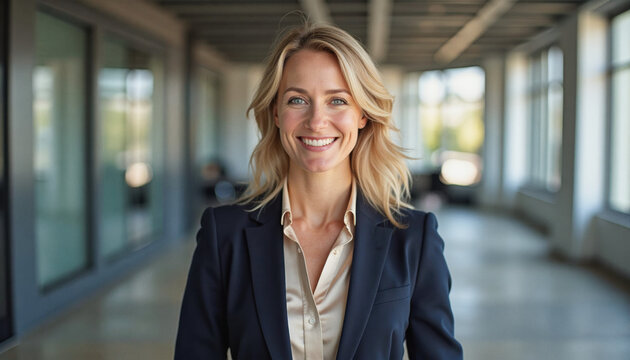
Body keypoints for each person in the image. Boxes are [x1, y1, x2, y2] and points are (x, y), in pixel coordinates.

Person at [174, 23, 463, 360]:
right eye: (297, 99)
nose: (316, 120)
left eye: (337, 100)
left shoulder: (414, 238)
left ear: (363, 115)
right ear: (276, 113)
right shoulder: (223, 235)